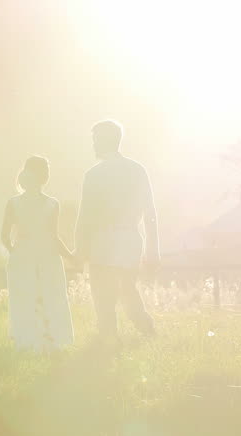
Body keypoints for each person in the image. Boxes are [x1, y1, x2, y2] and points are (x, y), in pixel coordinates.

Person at [74, 120, 159, 341]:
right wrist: (153, 250)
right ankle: (146, 329)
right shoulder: (137, 170)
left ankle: (109, 339)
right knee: (127, 289)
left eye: (95, 140)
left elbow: (85, 217)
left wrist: (80, 249)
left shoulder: (94, 175)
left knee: (103, 296)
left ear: (103, 141)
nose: (93, 145)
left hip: (102, 242)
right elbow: (150, 212)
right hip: (130, 240)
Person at [1, 156, 75, 351]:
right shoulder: (52, 204)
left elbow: (4, 236)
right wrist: (71, 256)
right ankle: (53, 340)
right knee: (52, 296)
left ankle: (25, 341)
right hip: (47, 256)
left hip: (22, 255)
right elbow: (54, 238)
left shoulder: (13, 203)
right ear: (44, 177)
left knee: (23, 298)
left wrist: (15, 252)